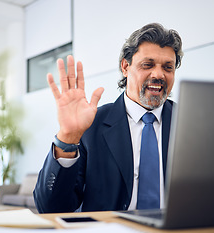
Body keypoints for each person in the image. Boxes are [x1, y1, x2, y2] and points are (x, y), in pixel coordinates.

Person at [33, 23, 183, 213]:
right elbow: (51, 208)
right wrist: (67, 137)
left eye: (168, 67)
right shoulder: (92, 123)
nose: (159, 74)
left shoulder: (189, 122)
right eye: (148, 65)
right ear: (125, 67)